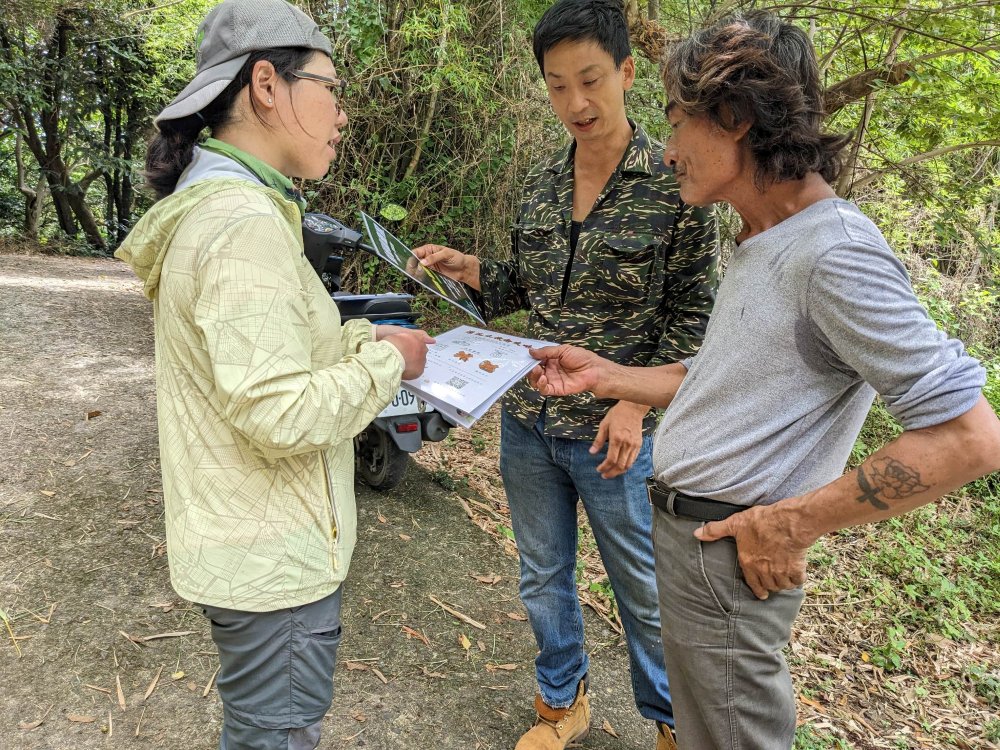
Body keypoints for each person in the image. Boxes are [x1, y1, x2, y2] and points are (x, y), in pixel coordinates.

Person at [527, 10, 1000, 750]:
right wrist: (609, 376)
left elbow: (970, 438)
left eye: (677, 122)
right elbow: (723, 379)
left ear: (736, 117)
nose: (669, 149)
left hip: (732, 559)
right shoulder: (766, 239)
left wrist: (791, 523)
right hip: (694, 547)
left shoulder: (833, 253)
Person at [115, 1, 433, 748]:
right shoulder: (243, 224)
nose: (342, 114)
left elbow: (273, 349)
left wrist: (360, 337)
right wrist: (389, 360)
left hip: (249, 542)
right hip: (272, 564)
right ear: (266, 84)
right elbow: (279, 411)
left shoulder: (236, 208)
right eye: (330, 88)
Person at [413, 1, 717, 747]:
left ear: (627, 72)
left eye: (590, 80)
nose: (575, 102)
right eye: (556, 86)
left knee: (642, 589)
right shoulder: (543, 180)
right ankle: (561, 701)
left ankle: (674, 724)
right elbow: (525, 288)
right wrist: (472, 270)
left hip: (617, 433)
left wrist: (634, 404)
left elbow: (696, 318)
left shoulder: (674, 183)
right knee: (542, 575)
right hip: (531, 418)